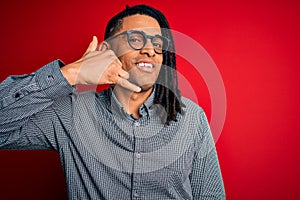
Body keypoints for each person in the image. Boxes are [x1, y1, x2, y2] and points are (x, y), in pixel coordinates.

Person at [0, 4, 225, 200]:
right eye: (136, 39)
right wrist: (71, 73)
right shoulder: (71, 113)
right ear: (107, 51)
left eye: (157, 44)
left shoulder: (193, 118)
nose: (149, 50)